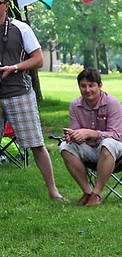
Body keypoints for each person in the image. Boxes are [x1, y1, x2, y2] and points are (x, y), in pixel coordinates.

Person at [0, 0, 65, 202]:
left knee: (36, 142)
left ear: (6, 5)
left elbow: (38, 59)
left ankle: (53, 191)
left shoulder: (21, 28)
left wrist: (15, 67)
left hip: (19, 92)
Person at [59, 68, 122, 207]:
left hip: (119, 150)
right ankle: (87, 192)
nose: (87, 90)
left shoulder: (112, 103)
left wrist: (91, 133)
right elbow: (76, 132)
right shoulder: (75, 105)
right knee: (65, 146)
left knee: (108, 143)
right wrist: (72, 136)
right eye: (83, 86)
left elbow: (115, 135)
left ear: (100, 85)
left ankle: (97, 194)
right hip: (91, 149)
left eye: (91, 85)